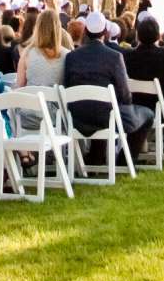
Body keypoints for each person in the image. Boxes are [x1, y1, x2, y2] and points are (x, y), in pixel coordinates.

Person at [57, 10, 151, 165]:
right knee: (147, 114)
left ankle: (96, 157)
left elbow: (67, 85)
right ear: (105, 32)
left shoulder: (72, 57)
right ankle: (125, 161)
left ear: (86, 31)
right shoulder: (114, 57)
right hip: (106, 117)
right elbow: (125, 94)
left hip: (77, 116)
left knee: (99, 108)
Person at [123, 15, 164, 132]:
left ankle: (143, 141)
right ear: (158, 36)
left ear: (138, 36)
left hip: (136, 106)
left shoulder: (128, 56)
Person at [18, 7, 68, 89]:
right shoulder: (67, 55)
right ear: (58, 28)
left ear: (38, 28)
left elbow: (19, 87)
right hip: (57, 101)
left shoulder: (27, 54)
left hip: (32, 100)